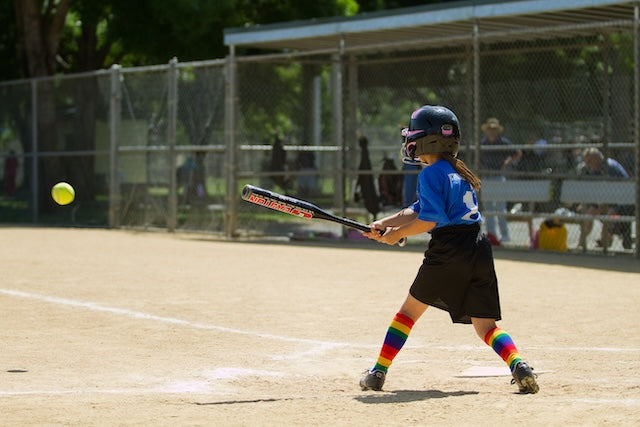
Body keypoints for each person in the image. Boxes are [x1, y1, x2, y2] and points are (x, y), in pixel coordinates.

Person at [359, 105, 539, 394]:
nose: (410, 143)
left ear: (429, 141)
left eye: (415, 137)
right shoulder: (456, 171)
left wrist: (398, 236)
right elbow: (418, 209)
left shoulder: (430, 174)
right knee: (485, 326)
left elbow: (430, 219)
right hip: (479, 248)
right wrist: (385, 223)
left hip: (449, 250)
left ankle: (378, 371)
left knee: (407, 314)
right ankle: (519, 365)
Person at [575, 147, 632, 249]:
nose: (587, 164)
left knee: (608, 215)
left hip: (622, 202)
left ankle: (606, 243)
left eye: (589, 161)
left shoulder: (610, 167)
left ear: (597, 159)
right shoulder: (595, 169)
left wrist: (600, 208)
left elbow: (616, 193)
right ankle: (581, 244)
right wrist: (585, 205)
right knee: (589, 214)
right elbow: (593, 191)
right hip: (606, 200)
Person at [479, 118, 522, 243]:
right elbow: (480, 158)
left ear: (497, 131)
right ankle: (491, 235)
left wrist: (508, 161)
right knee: (488, 208)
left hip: (498, 177)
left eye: (494, 129)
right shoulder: (484, 143)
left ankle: (505, 235)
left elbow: (517, 153)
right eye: (490, 129)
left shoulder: (503, 142)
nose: (492, 132)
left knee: (500, 208)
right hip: (487, 177)